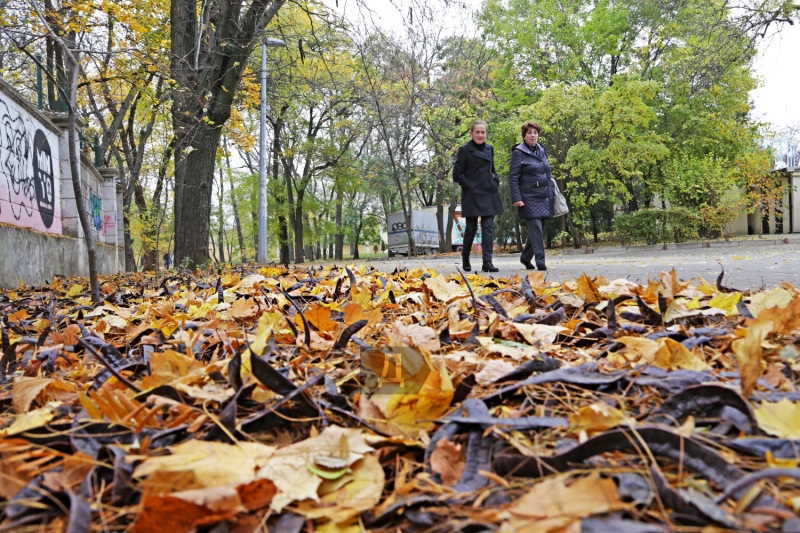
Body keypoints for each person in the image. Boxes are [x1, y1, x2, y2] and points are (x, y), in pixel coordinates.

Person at [452, 120, 503, 272]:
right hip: (472, 194)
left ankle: (487, 262)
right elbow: (457, 174)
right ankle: (465, 257)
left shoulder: (489, 149)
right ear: (471, 133)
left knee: (488, 228)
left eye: (483, 132)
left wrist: (496, 180)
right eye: (477, 132)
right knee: (471, 229)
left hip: (489, 193)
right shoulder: (464, 150)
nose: (480, 135)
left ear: (486, 133)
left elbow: (492, 169)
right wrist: (469, 186)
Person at [509, 121, 555, 271]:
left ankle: (525, 257)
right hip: (529, 197)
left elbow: (547, 171)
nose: (532, 135)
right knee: (536, 227)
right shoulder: (518, 152)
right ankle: (540, 261)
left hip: (544, 196)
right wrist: (517, 198)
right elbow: (513, 177)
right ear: (524, 135)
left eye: (535, 133)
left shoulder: (542, 149)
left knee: (538, 229)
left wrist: (552, 190)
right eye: (529, 133)